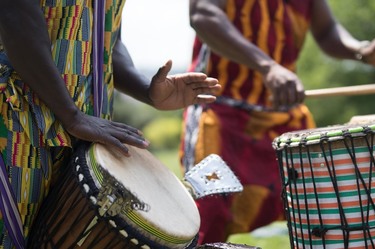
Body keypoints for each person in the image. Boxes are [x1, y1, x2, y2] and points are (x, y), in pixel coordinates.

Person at [180, 0, 375, 244]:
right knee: (209, 218)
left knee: (325, 212)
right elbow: (203, 14)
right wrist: (268, 66)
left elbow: (327, 30)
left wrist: (362, 49)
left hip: (286, 118)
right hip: (221, 113)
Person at [0, 0, 220, 248]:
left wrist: (147, 91)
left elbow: (108, 39)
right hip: (17, 123)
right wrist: (72, 116)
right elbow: (14, 14)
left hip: (87, 126)